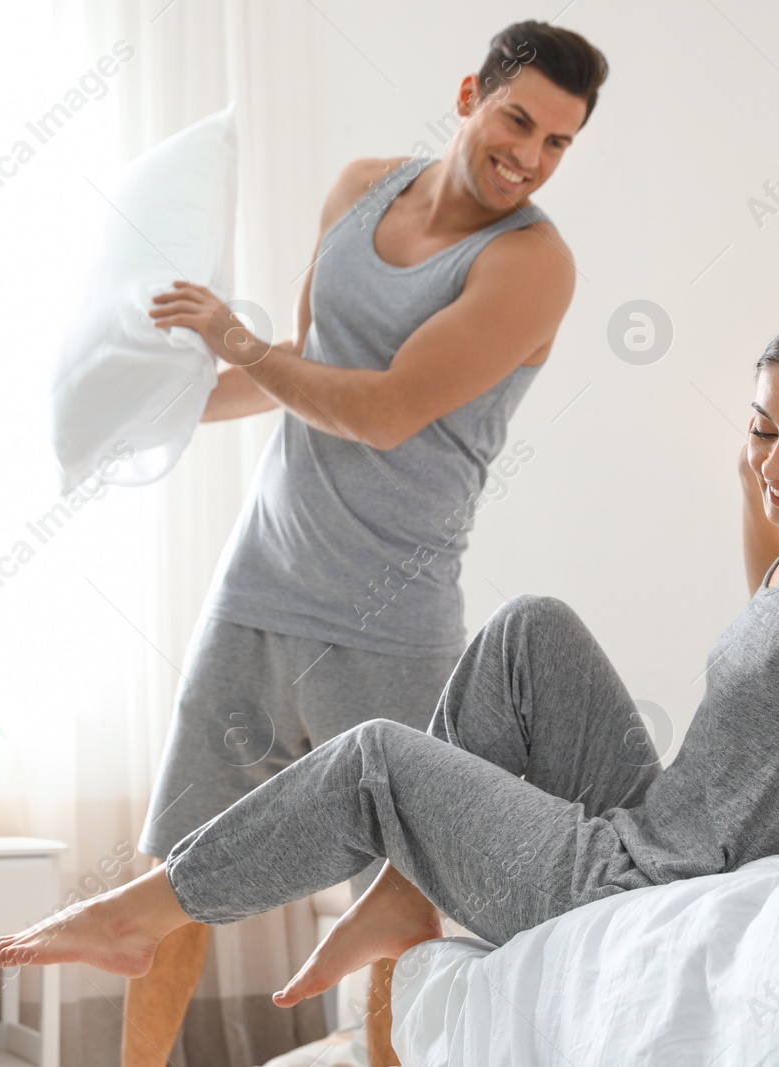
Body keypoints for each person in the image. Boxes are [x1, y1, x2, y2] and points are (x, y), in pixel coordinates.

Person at [0, 296, 779, 1034]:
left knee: (377, 758)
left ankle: (143, 909)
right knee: (528, 628)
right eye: (759, 427)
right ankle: (398, 895)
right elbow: (766, 648)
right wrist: (760, 479)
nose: (777, 467)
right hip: (652, 826)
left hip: (646, 880)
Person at [120, 20, 607, 1067]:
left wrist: (237, 340)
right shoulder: (357, 189)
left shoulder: (532, 265)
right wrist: (153, 412)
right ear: (471, 90)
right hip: (257, 588)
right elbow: (304, 365)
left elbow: (382, 411)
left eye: (558, 143)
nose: (528, 157)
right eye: (518, 119)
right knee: (168, 881)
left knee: (387, 912)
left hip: (389, 623)